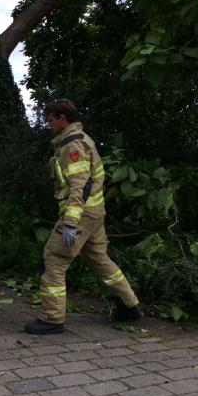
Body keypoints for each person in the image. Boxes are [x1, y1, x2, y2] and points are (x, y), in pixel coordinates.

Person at [25, 99, 143, 335]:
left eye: (50, 120)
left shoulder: (73, 147)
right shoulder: (80, 140)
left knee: (53, 261)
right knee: (99, 260)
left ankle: (52, 319)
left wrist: (70, 223)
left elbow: (80, 186)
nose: (49, 125)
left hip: (80, 214)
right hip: (94, 214)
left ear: (62, 118)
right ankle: (130, 306)